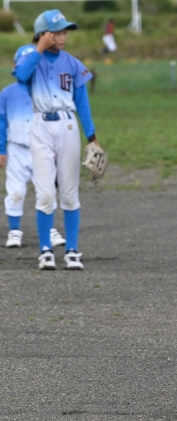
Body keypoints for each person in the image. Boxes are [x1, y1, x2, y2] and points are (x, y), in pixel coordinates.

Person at [13, 10, 98, 270]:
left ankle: (71, 250)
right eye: (57, 32)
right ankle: (45, 250)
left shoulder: (72, 63)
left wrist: (91, 136)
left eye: (65, 32)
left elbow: (82, 103)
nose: (63, 37)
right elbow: (21, 76)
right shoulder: (30, 56)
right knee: (46, 193)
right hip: (40, 126)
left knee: (70, 192)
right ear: (43, 34)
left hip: (67, 125)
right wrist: (39, 48)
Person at [1, 44, 65, 249]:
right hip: (16, 149)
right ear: (16, 66)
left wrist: (57, 148)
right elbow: (1, 122)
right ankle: (14, 230)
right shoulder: (7, 93)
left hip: (43, 148)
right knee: (15, 190)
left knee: (46, 190)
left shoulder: (47, 92)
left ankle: (50, 229)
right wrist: (1, 149)